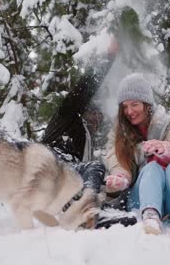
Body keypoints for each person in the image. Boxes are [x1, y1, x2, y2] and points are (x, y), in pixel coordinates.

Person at [41, 40, 137, 229]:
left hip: (64, 180)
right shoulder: (66, 117)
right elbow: (83, 90)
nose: (96, 119)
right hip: (48, 166)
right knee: (95, 167)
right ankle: (87, 213)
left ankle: (93, 214)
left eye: (99, 116)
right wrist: (108, 58)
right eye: (92, 113)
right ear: (82, 111)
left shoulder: (86, 143)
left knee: (99, 177)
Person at [104, 73, 170, 235]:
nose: (129, 111)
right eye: (125, 106)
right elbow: (115, 159)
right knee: (152, 168)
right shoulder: (119, 133)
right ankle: (150, 216)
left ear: (146, 104)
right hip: (142, 198)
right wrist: (121, 177)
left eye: (134, 104)